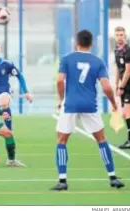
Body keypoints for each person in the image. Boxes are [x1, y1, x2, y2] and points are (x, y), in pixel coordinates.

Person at [51, 30, 124, 191]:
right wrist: (113, 103)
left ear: (76, 42)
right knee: (102, 140)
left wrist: (61, 99)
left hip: (70, 104)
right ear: (91, 43)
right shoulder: (97, 61)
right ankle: (112, 177)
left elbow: (59, 81)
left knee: (62, 141)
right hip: (90, 105)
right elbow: (106, 86)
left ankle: (62, 180)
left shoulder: (66, 59)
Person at [114, 26, 130, 149]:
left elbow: (128, 71)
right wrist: (116, 84)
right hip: (123, 86)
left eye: (122, 34)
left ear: (125, 36)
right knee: (126, 114)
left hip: (129, 86)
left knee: (127, 112)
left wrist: (122, 86)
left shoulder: (128, 50)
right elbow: (118, 69)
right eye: (118, 34)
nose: (120, 37)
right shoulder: (116, 50)